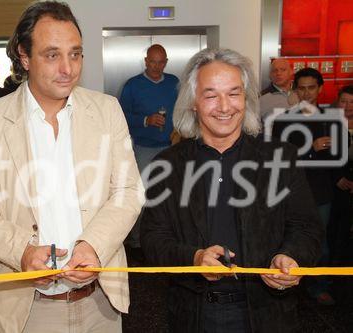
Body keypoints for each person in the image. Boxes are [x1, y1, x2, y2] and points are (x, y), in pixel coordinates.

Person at [0, 2, 143, 332]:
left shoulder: (106, 110)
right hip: (28, 307)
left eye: (75, 54)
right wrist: (21, 251)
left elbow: (128, 191)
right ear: (24, 57)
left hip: (100, 302)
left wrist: (93, 247)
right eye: (52, 55)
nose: (68, 68)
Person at [140, 48, 322, 332]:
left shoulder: (280, 158)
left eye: (234, 94)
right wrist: (193, 258)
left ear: (246, 100)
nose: (224, 107)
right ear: (193, 103)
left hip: (267, 313)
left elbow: (306, 228)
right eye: (211, 95)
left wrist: (291, 256)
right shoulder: (168, 166)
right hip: (194, 313)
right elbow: (153, 238)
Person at [272, 68, 338, 305]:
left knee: (321, 242)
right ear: (295, 90)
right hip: (288, 192)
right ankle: (284, 285)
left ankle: (318, 286)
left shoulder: (332, 119)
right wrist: (310, 148)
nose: (307, 93)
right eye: (302, 88)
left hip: (321, 191)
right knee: (284, 240)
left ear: (320, 89)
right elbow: (279, 159)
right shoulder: (283, 121)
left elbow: (337, 156)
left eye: (312, 87)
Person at [119, 44, 179, 255]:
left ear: (166, 62)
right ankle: (136, 242)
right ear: (146, 61)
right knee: (141, 196)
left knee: (170, 196)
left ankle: (167, 240)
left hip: (170, 148)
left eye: (160, 62)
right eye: (152, 61)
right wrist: (146, 120)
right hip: (143, 148)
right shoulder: (133, 86)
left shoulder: (174, 83)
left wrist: (180, 130)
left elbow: (183, 109)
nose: (156, 66)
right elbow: (121, 117)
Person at [329, 85, 353, 265]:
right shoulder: (327, 123)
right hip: (335, 186)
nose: (348, 106)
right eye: (343, 101)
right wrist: (338, 178)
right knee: (335, 231)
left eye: (352, 102)